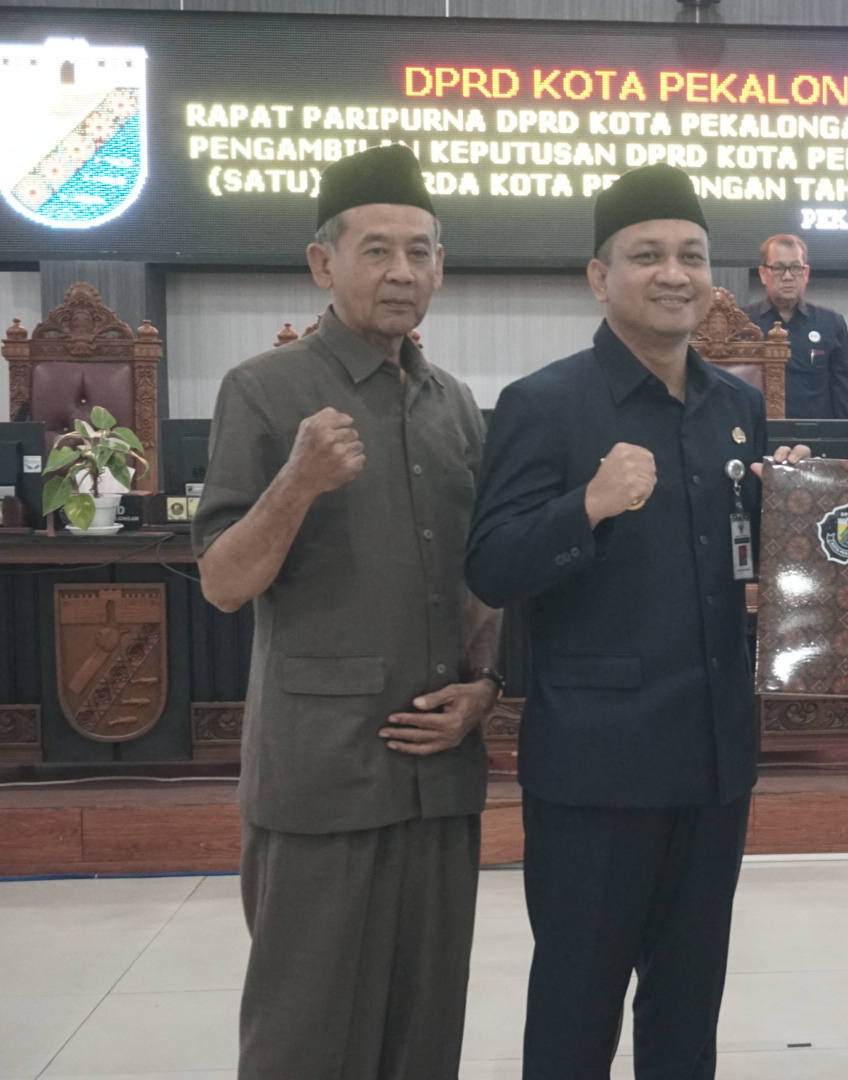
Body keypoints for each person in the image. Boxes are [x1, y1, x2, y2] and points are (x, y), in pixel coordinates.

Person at [465, 165, 806, 1080]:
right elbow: (491, 565)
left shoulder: (737, 406)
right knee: (576, 1010)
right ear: (599, 276)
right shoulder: (545, 403)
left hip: (714, 758)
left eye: (691, 255)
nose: (674, 274)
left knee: (688, 1010)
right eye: (647, 255)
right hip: (598, 768)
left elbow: (744, 560)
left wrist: (792, 508)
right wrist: (587, 506)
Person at [193, 143, 500, 1080]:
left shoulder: (456, 406)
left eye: (419, 251)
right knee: (306, 1038)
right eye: (376, 250)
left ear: (441, 267)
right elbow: (222, 581)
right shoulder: (264, 390)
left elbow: (479, 577)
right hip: (323, 775)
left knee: (425, 1036)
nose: (401, 271)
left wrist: (486, 685)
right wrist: (296, 482)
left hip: (440, 778)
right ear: (323, 263)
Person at [743, 233, 848, 418]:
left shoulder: (831, 323)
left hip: (815, 433)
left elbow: (843, 393)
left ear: (805, 273)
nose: (788, 276)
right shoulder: (743, 323)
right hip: (758, 430)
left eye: (795, 267)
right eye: (778, 268)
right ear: (763, 274)